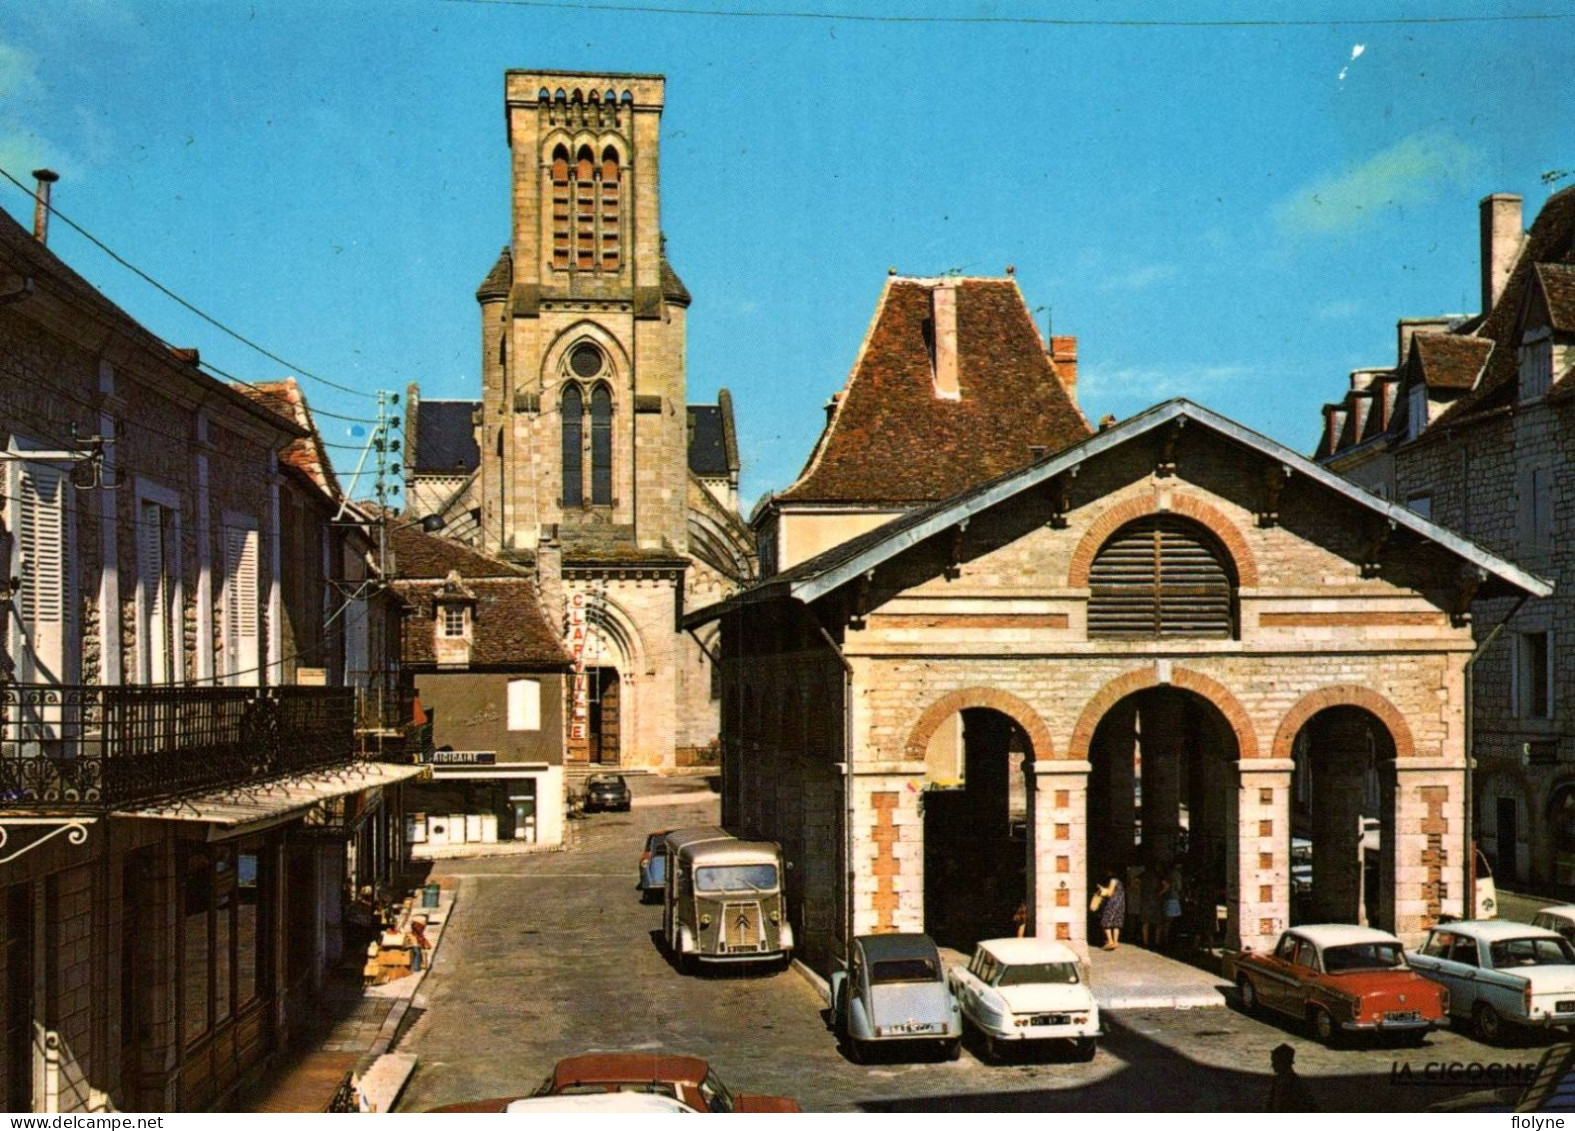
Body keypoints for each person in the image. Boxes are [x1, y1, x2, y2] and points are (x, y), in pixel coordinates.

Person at [1266, 1043, 1319, 1112]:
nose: (1272, 1065)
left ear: (1283, 1062)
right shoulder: (1277, 1081)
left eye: (1275, 1062)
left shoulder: (1296, 1085)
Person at [1093, 874, 1125, 950]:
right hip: (1120, 904)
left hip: (1112, 904)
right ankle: (1116, 942)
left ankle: (1110, 941)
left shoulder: (1113, 880)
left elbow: (1110, 893)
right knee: (1116, 923)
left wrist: (1102, 890)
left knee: (1105, 922)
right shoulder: (1120, 882)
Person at [1161, 863, 1184, 949]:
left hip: (1167, 897)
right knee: (1170, 920)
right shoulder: (1177, 875)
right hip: (1173, 897)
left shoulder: (1167, 874)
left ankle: (1164, 938)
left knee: (1166, 920)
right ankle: (1166, 939)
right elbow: (1179, 887)